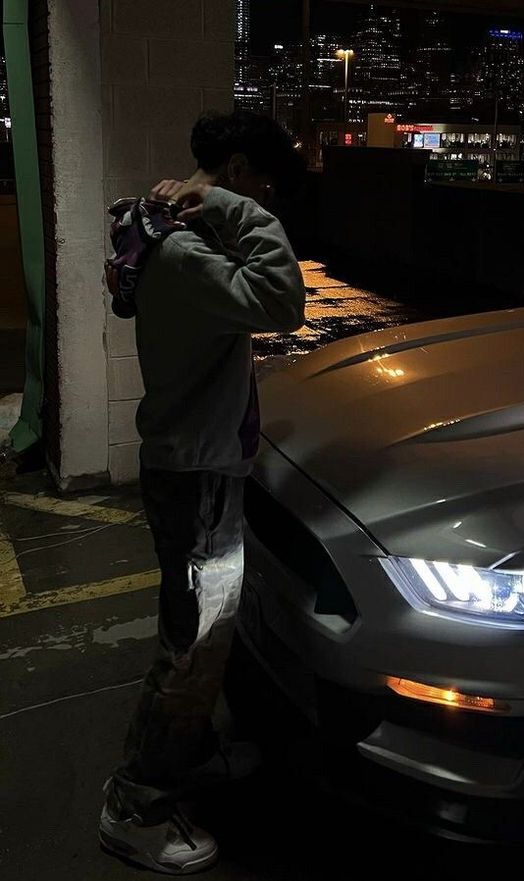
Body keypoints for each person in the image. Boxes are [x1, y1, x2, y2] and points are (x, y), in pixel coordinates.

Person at [99, 111, 307, 875]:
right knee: (192, 646)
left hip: (193, 465)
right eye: (264, 184)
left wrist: (215, 205)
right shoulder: (184, 249)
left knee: (198, 635)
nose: (268, 198)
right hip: (196, 475)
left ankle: (185, 759)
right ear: (242, 168)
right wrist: (231, 208)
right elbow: (284, 301)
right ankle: (138, 802)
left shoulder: (162, 236)